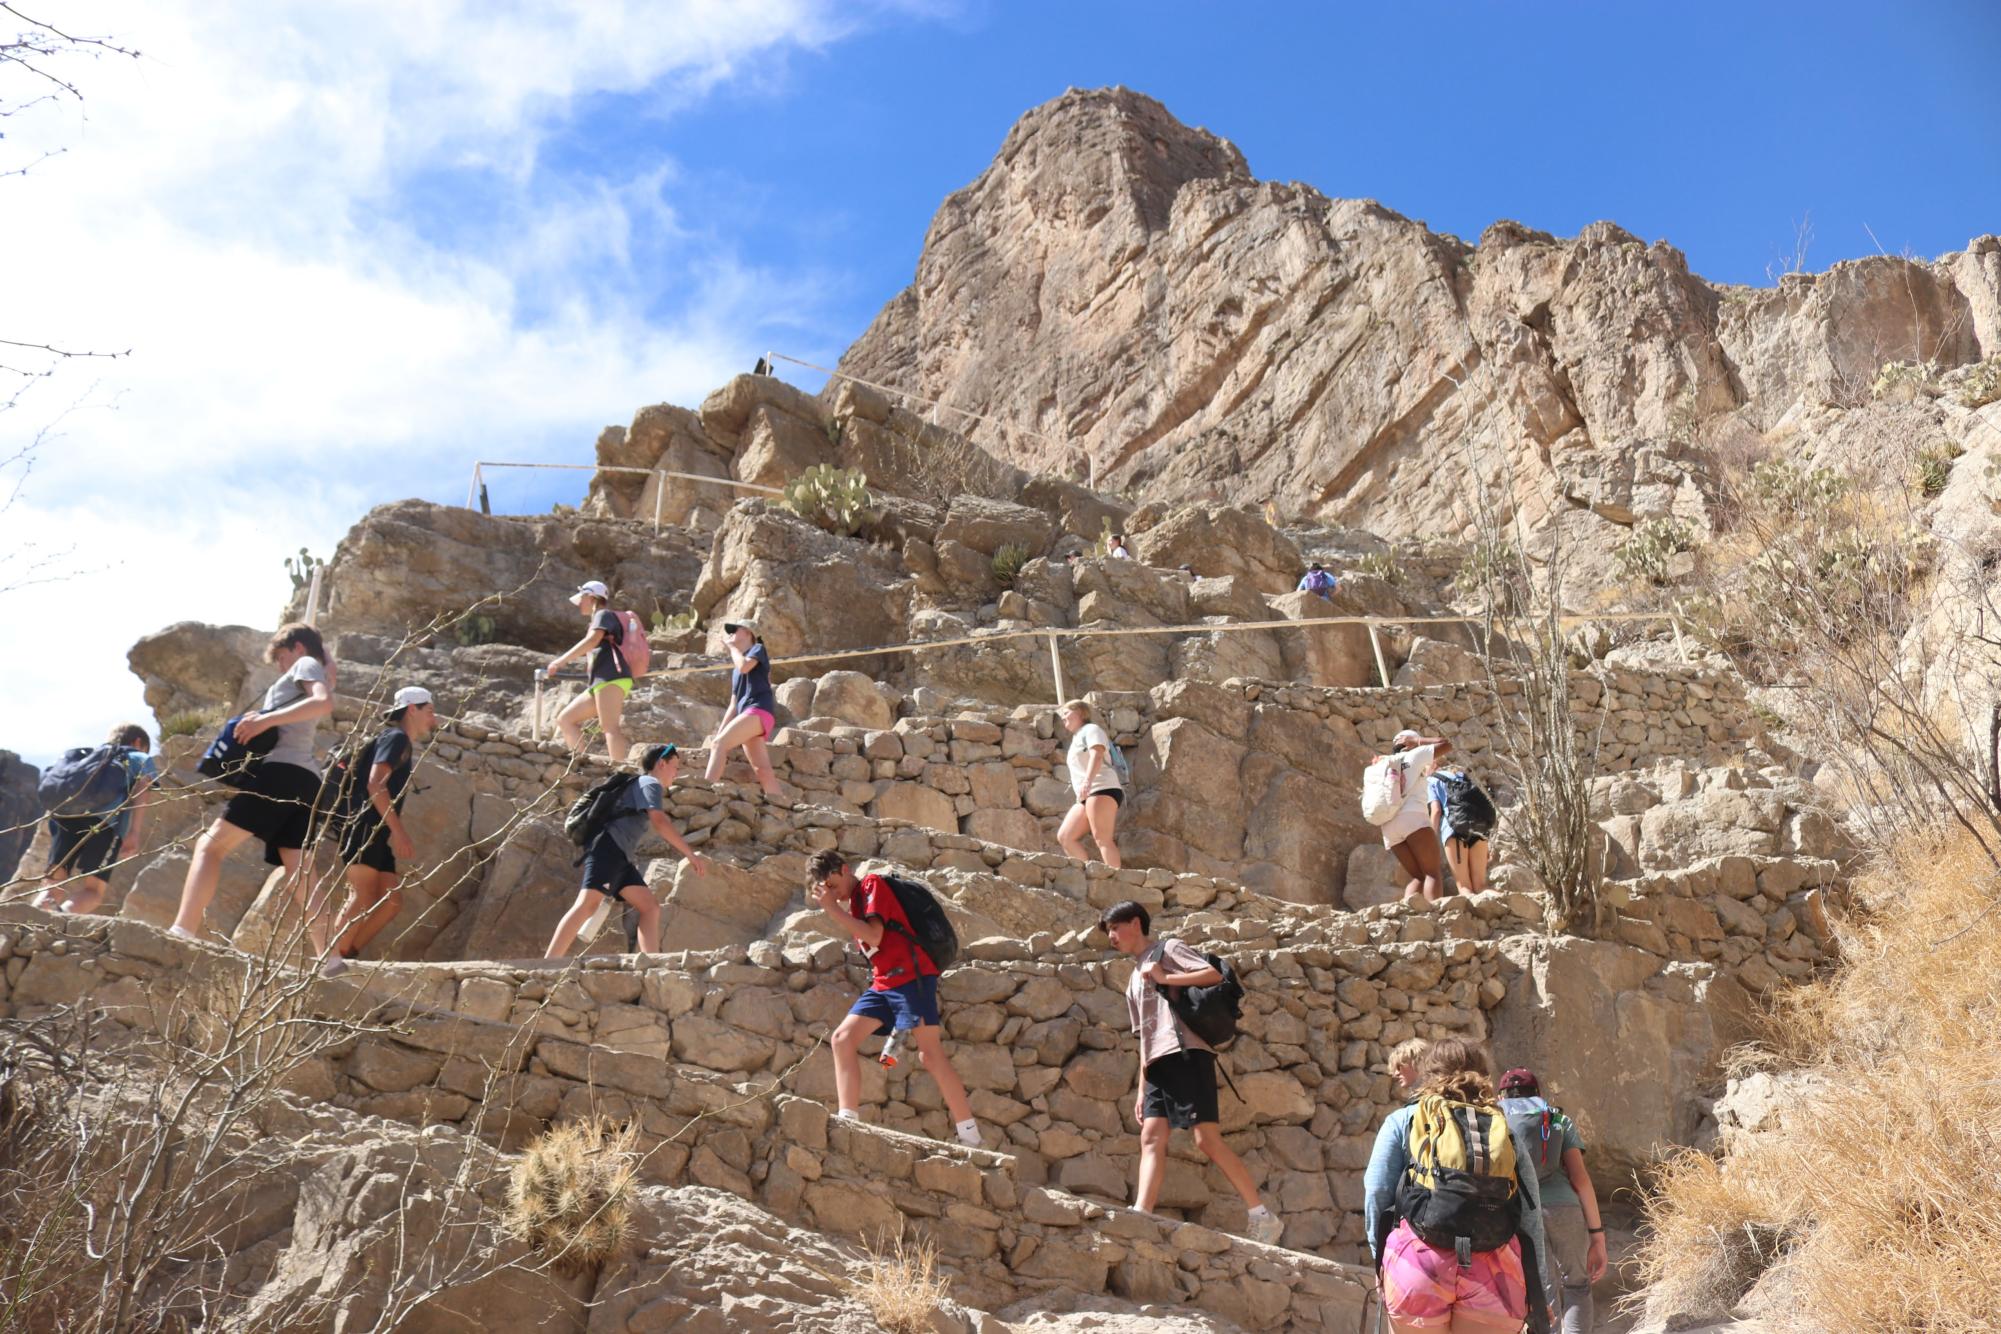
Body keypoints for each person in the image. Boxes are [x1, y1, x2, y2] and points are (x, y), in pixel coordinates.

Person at [1101, 900, 1283, 1245]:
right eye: (1108, 931)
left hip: (1188, 1053)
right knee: (1151, 1136)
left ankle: (1262, 1215)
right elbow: (1144, 1037)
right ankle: (1143, 1210)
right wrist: (1141, 1089)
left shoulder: (1167, 949)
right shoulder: (1131, 980)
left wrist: (1165, 976)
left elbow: (1213, 975)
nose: (1111, 936)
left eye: (1114, 927)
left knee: (1206, 1139)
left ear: (1135, 923)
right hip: (1157, 1063)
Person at [1364, 1038, 1549, 1334]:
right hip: (1495, 1272)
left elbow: (1376, 1193)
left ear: (1430, 1074)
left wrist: (1380, 1261)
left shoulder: (1403, 1121)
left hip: (1418, 1265)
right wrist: (1538, 1288)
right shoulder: (1503, 1130)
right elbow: (1531, 1215)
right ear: (1483, 1076)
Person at [172, 625, 335, 948]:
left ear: (298, 648)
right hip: (306, 781)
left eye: (281, 656)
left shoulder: (305, 665)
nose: (280, 666)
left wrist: (264, 720)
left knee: (210, 847)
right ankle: (330, 957)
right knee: (300, 870)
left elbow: (323, 702)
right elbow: (328, 674)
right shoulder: (319, 668)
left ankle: (181, 932)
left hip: (279, 773)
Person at [806, 850, 982, 1149]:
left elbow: (875, 937)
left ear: (846, 870)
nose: (834, 894)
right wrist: (836, 907)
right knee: (842, 1039)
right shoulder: (854, 902)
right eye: (827, 890)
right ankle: (848, 1119)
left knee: (930, 1054)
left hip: (911, 977)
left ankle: (971, 1136)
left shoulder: (872, 885)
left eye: (835, 885)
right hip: (884, 982)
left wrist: (832, 910)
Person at [317, 686, 439, 973]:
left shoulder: (399, 742)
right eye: (430, 711)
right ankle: (328, 961)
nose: (434, 719)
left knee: (391, 900)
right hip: (364, 825)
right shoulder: (395, 738)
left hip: (376, 829)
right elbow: (375, 784)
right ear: (412, 709)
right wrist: (399, 832)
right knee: (361, 895)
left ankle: (346, 953)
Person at [546, 743, 709, 958]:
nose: (676, 773)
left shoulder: (642, 784)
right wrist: (689, 854)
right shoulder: (650, 783)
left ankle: (651, 964)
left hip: (621, 855)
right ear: (662, 763)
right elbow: (659, 821)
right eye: (675, 767)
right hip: (608, 848)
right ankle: (549, 962)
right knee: (587, 904)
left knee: (650, 907)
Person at [1499, 1068, 1608, 1334]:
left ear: (1501, 1095)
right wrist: (1597, 1236)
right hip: (1564, 1208)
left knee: (1541, 1287)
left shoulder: (1496, 1120)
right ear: (1538, 1093)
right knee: (1577, 1284)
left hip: (1523, 1211)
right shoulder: (1558, 1119)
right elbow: (1580, 1179)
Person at [33, 723, 158, 915]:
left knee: (53, 883)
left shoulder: (88, 757)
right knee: (94, 890)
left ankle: (28, 923)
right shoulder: (137, 756)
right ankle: (59, 920)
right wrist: (134, 832)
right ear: (138, 742)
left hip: (65, 816)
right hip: (104, 823)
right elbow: (143, 787)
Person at [547, 579, 634, 765]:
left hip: (611, 677)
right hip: (601, 681)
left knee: (609, 727)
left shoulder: (603, 615)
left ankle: (620, 773)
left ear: (592, 597)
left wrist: (561, 661)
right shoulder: (600, 618)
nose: (579, 603)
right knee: (566, 719)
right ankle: (580, 767)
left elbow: (592, 641)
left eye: (582, 598)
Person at [702, 619, 783, 799]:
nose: (730, 635)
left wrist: (732, 648)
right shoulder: (736, 669)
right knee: (762, 769)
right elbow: (733, 704)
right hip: (751, 716)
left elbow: (745, 666)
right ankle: (781, 804)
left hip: (757, 711)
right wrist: (720, 733)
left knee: (719, 745)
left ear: (748, 632)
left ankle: (704, 791)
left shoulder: (757, 649)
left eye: (734, 630)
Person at [1378, 728, 1453, 907]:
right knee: (1432, 873)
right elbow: (1448, 743)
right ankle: (1437, 918)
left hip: (1388, 826)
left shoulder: (1384, 764)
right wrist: (1419, 742)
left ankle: (1408, 914)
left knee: (1418, 876)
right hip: (1412, 819)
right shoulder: (1415, 755)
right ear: (1408, 742)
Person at [1056, 699, 1122, 869]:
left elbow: (1097, 754)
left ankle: (1115, 878)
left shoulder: (1091, 730)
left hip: (1101, 787)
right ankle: (1089, 875)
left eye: (1066, 713)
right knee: (1065, 837)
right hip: (1086, 793)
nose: (1063, 718)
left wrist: (1088, 780)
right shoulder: (1077, 738)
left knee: (1102, 838)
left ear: (1080, 713)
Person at [1429, 764, 1492, 895]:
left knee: (1464, 886)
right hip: (1480, 830)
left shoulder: (1432, 780)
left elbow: (1436, 811)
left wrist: (1430, 838)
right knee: (1481, 885)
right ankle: (1506, 904)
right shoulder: (1464, 777)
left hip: (1454, 830)